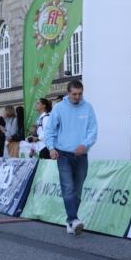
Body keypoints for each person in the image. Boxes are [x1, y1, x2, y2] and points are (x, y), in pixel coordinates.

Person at [45, 80, 97, 235]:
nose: (77, 97)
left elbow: (93, 131)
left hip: (81, 155)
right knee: (68, 188)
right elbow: (49, 130)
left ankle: (70, 221)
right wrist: (51, 148)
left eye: (80, 94)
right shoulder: (59, 108)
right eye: (74, 94)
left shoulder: (88, 108)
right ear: (68, 93)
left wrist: (85, 145)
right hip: (63, 154)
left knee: (78, 191)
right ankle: (74, 219)